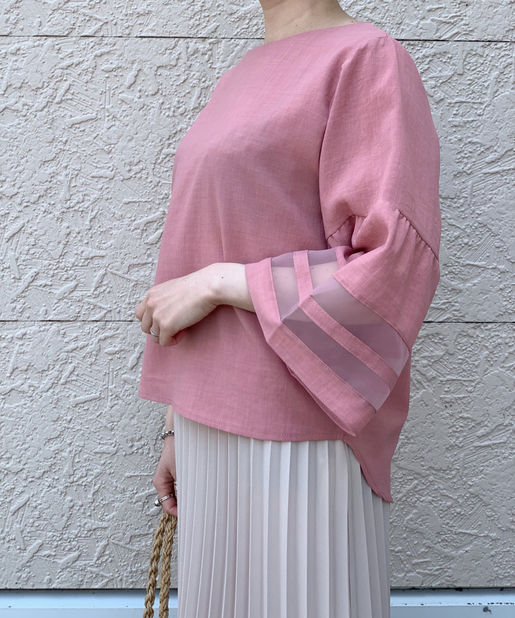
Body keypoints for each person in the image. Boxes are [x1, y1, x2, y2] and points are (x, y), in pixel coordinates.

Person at [134, 0, 441, 615]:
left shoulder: (367, 59)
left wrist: (220, 282)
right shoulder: (241, 74)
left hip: (301, 427)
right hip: (206, 427)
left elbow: (389, 267)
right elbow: (211, 234)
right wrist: (174, 425)